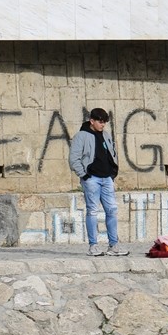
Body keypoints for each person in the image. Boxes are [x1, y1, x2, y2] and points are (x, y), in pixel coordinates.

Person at [68, 108, 128, 257]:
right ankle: (93, 246)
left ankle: (113, 245)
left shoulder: (106, 135)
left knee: (112, 210)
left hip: (107, 178)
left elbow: (111, 154)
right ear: (92, 121)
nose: (103, 125)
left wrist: (112, 174)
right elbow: (73, 159)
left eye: (104, 122)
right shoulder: (81, 136)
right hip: (92, 179)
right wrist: (84, 175)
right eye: (100, 122)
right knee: (93, 211)